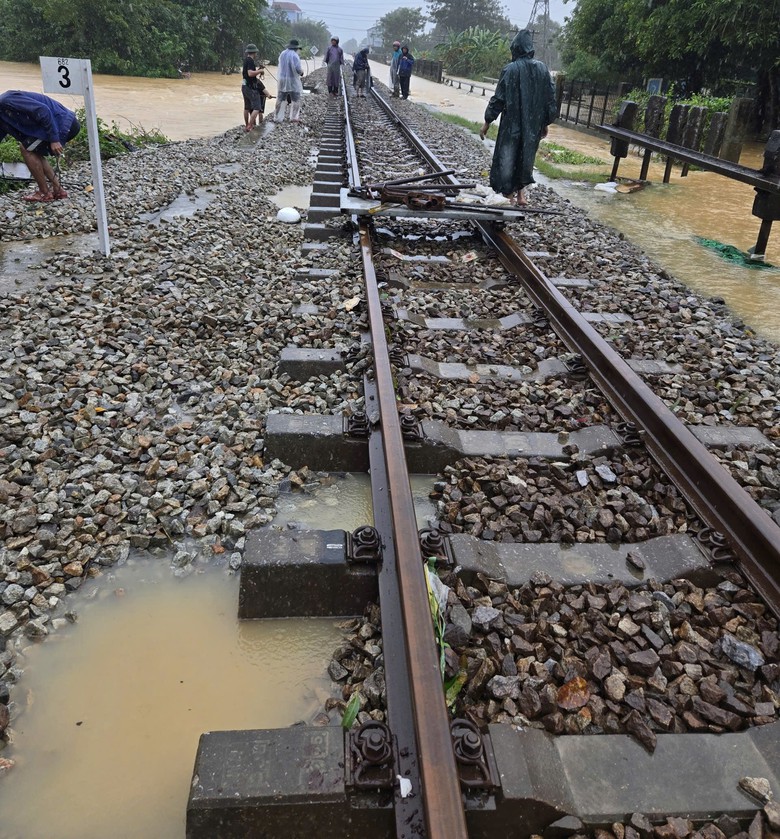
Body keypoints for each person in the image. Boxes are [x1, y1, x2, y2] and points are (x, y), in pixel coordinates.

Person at [479, 30, 557, 206]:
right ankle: (522, 195)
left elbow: (498, 99)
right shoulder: (543, 69)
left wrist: (487, 121)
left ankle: (509, 195)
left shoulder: (509, 69)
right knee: (526, 157)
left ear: (515, 48)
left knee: (508, 157)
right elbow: (550, 98)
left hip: (511, 125)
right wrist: (545, 122)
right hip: (533, 126)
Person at [0, 90, 80, 202]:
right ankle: (58, 190)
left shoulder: (6, 100)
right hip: (58, 126)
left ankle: (44, 193)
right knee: (32, 149)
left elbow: (43, 110)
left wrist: (54, 139)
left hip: (64, 124)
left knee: (26, 149)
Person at [242, 44, 274, 131]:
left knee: (247, 107)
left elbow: (248, 73)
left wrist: (258, 70)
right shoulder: (251, 61)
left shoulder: (246, 60)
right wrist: (260, 71)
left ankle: (247, 125)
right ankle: (250, 125)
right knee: (257, 107)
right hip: (250, 87)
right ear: (254, 52)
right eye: (256, 53)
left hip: (244, 86)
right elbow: (250, 73)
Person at [275, 39, 305, 123]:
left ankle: (277, 117)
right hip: (292, 80)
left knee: (280, 98)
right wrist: (302, 72)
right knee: (295, 99)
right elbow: (298, 69)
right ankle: (294, 117)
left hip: (282, 79)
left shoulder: (282, 54)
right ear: (296, 48)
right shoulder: (295, 56)